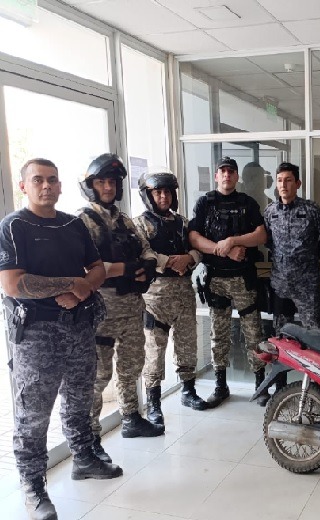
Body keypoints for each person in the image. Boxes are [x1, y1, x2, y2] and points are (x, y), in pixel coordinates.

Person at [0, 159, 122, 520]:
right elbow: (13, 284)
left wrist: (85, 289)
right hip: (37, 335)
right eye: (38, 180)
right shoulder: (13, 226)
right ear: (24, 186)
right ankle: (33, 487)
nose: (46, 186)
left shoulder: (73, 224)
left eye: (52, 180)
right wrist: (73, 284)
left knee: (79, 399)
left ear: (60, 185)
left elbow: (97, 268)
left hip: (80, 327)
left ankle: (84, 458)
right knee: (34, 415)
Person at [78, 153, 164, 459]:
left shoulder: (125, 220)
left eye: (112, 182)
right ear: (91, 185)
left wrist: (148, 266)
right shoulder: (82, 221)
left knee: (131, 366)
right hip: (101, 311)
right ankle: (89, 439)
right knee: (98, 376)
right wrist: (124, 269)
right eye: (101, 182)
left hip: (131, 307)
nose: (108, 187)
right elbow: (85, 269)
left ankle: (131, 418)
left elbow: (146, 248)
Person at [189, 157, 269, 407]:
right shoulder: (205, 203)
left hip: (243, 278)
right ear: (216, 176)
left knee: (254, 333)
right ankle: (220, 385)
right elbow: (194, 237)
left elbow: (261, 235)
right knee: (218, 335)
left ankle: (260, 386)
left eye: (231, 172)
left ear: (236, 177)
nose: (226, 175)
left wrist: (234, 241)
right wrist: (223, 250)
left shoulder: (247, 203)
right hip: (216, 280)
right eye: (222, 171)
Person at [133, 170, 208, 423]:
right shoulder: (139, 224)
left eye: (167, 192)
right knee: (154, 352)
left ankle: (188, 391)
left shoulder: (183, 223)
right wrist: (169, 262)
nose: (163, 197)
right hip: (155, 298)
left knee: (188, 346)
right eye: (158, 192)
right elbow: (142, 252)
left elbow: (199, 249)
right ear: (149, 195)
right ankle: (154, 403)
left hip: (184, 293)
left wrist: (189, 258)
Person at [264, 162, 320, 335]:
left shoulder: (311, 210)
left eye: (288, 180)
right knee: (282, 334)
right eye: (279, 180)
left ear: (298, 184)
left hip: (307, 284)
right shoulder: (270, 212)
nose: (283, 185)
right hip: (280, 284)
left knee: (315, 334)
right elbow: (267, 241)